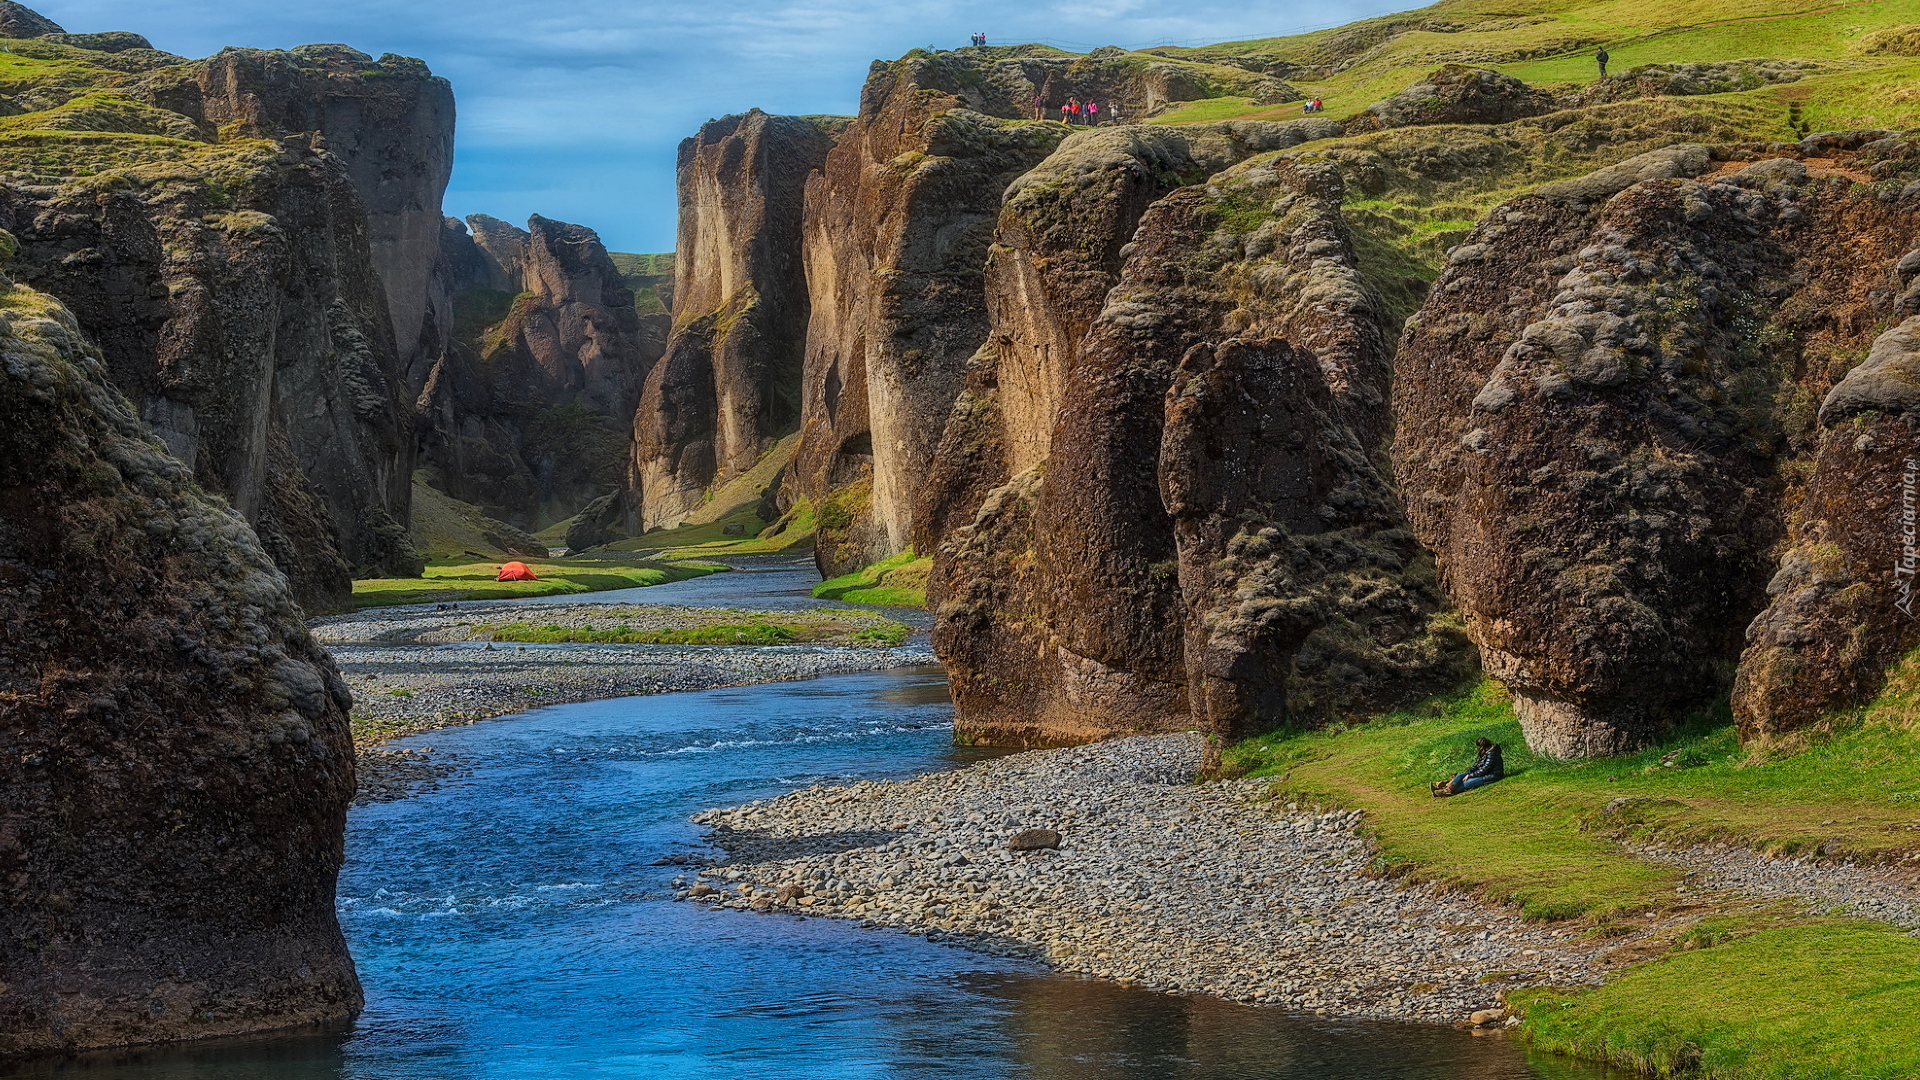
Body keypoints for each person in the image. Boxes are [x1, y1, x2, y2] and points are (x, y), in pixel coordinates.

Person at [1432, 736, 1503, 797]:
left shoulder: (1492, 754)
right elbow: (1476, 764)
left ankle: (1444, 791)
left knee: (1465, 783)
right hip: (1482, 774)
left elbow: (1485, 769)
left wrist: (1470, 775)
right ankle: (1445, 790)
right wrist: (1468, 773)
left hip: (1491, 776)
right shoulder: (1484, 752)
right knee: (1460, 776)